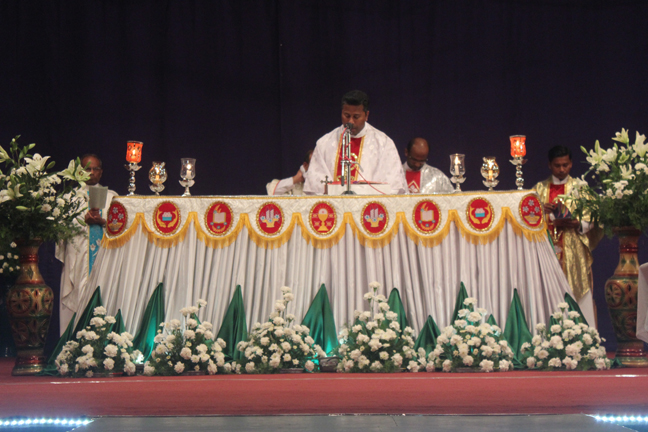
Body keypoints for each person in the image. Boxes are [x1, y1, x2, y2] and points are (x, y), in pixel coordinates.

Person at [533, 146, 601, 327]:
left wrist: (579, 224)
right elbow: (526, 218)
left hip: (573, 249)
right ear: (550, 165)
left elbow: (594, 217)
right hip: (547, 248)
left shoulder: (581, 188)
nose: (562, 169)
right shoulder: (539, 189)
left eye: (565, 165)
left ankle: (584, 336)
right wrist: (540, 210)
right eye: (557, 166)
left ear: (571, 164)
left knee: (578, 291)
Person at [55, 154, 117, 334]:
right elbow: (61, 229)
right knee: (77, 294)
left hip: (105, 257)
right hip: (79, 258)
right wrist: (84, 221)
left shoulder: (112, 197)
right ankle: (71, 343)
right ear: (79, 172)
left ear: (101, 172)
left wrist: (103, 222)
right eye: (87, 169)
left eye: (95, 169)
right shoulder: (70, 197)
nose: (91, 172)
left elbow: (121, 226)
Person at [303, 90, 407, 195]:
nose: (350, 122)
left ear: (366, 115)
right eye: (347, 115)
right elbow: (315, 184)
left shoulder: (384, 144)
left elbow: (393, 186)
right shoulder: (325, 143)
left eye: (356, 117)